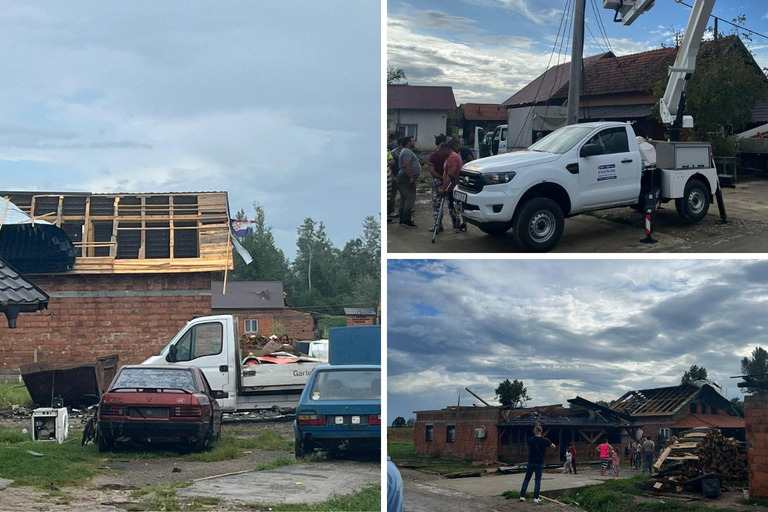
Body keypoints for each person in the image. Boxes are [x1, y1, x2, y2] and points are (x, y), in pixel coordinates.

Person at [519, 425, 556, 504]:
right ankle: (536, 498)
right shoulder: (545, 440)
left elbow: (526, 446)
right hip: (539, 462)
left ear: (534, 431)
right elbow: (553, 446)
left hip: (531, 461)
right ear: (541, 431)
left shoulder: (530, 440)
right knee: (537, 480)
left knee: (526, 479)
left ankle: (522, 496)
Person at [438, 142, 466, 232]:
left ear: (446, 149)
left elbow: (450, 175)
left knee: (454, 207)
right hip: (451, 186)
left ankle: (459, 224)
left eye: (441, 150)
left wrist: (443, 188)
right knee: (453, 206)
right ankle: (457, 224)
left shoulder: (452, 158)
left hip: (453, 187)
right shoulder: (449, 157)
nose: (439, 152)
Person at [397, 136, 421, 228]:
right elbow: (406, 164)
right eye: (412, 141)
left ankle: (402, 220)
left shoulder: (405, 151)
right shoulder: (406, 151)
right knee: (409, 198)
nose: (413, 142)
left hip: (404, 177)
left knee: (404, 198)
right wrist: (411, 176)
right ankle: (407, 220)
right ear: (408, 143)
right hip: (406, 178)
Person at [427, 144, 447, 233]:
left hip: (442, 181)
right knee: (438, 204)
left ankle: (438, 225)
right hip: (444, 181)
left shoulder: (435, 156)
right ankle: (438, 225)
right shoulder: (435, 156)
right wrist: (443, 178)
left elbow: (432, 171)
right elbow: (432, 171)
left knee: (438, 204)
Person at [388, 138, 403, 220]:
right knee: (392, 195)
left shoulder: (403, 152)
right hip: (394, 176)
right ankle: (390, 211)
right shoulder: (393, 152)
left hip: (401, 176)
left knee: (403, 193)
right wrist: (393, 177)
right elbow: (390, 166)